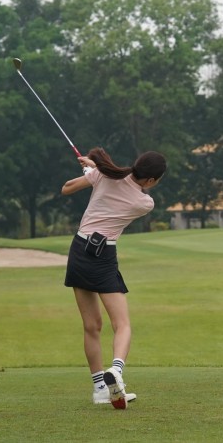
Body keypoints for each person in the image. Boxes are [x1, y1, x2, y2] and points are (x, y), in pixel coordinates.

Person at [61, 146, 166, 409]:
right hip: (102, 256)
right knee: (122, 324)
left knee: (91, 326)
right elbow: (120, 185)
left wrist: (92, 173)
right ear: (151, 180)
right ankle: (116, 371)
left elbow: (66, 188)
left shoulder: (103, 176)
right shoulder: (144, 203)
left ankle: (99, 388)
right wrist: (95, 171)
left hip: (79, 251)